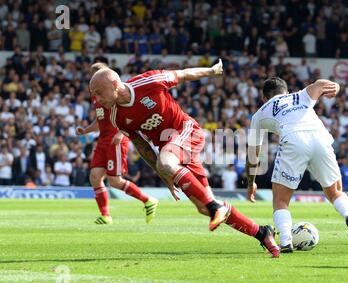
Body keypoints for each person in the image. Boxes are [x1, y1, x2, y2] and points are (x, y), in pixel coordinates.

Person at [89, 60, 280, 258]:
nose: (96, 99)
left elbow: (183, 74)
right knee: (203, 207)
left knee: (176, 171)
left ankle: (215, 208)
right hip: (171, 149)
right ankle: (262, 232)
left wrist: (212, 71)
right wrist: (164, 174)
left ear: (114, 84)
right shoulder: (115, 116)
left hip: (185, 130)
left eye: (98, 92)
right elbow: (141, 144)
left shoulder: (148, 82)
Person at [246, 77, 348, 254]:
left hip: (293, 140)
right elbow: (320, 84)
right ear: (287, 91)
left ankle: (285, 242)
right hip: (319, 137)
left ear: (264, 97)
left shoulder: (260, 113)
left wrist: (251, 181)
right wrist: (335, 86)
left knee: (281, 200)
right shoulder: (299, 96)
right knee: (335, 191)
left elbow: (253, 153)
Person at [76, 62, 158, 225]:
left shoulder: (114, 93)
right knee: (94, 177)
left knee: (115, 181)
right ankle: (106, 216)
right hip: (103, 140)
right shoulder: (97, 96)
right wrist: (86, 130)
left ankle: (148, 200)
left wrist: (121, 133)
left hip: (116, 140)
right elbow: (101, 120)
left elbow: (128, 115)